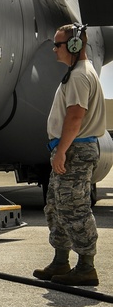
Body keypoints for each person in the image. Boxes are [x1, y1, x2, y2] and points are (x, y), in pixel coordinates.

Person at [32, 23, 104, 287]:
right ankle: (61, 261)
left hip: (75, 150)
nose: (54, 50)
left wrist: (61, 151)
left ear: (74, 46)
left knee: (74, 208)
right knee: (56, 206)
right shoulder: (76, 73)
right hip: (69, 150)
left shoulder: (79, 76)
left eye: (58, 44)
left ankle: (86, 266)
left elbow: (75, 117)